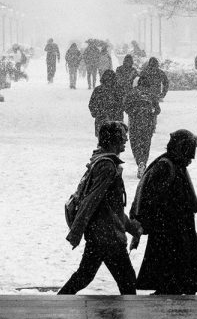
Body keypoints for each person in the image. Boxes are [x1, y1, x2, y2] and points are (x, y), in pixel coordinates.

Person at [59, 121, 143, 295]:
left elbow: (112, 208)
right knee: (127, 281)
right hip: (108, 236)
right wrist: (76, 233)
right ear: (113, 140)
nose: (126, 140)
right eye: (122, 137)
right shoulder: (106, 166)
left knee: (85, 276)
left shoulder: (101, 162)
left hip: (101, 233)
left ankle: (59, 301)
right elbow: (90, 201)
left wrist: (131, 228)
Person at [131, 129, 197, 295]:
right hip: (169, 226)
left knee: (177, 260)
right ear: (181, 149)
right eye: (190, 153)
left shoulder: (175, 163)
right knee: (170, 259)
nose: (192, 158)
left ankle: (173, 287)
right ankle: (170, 288)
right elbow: (152, 198)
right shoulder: (165, 166)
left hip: (176, 225)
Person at [123, 78, 161, 178]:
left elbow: (125, 106)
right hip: (148, 124)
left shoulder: (131, 93)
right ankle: (143, 160)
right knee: (146, 143)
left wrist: (133, 112)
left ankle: (139, 160)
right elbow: (157, 110)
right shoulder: (151, 94)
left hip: (135, 123)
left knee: (135, 143)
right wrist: (150, 113)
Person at [88, 69, 122, 139]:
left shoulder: (98, 90)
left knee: (104, 142)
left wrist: (97, 113)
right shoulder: (118, 90)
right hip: (113, 120)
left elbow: (92, 104)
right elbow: (122, 104)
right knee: (113, 143)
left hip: (103, 120)